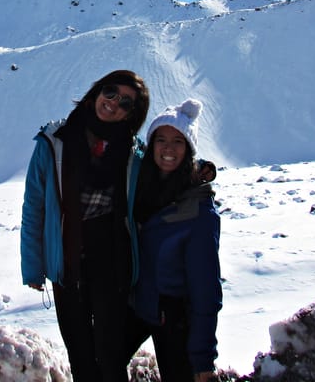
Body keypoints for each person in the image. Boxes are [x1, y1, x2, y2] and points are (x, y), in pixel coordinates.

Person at [20, 70, 150, 382]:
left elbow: (165, 179)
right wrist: (33, 267)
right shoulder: (55, 141)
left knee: (110, 357)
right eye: (110, 92)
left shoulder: (134, 153)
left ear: (133, 114)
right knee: (80, 358)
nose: (114, 103)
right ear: (95, 93)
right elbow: (34, 207)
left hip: (113, 261)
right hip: (68, 263)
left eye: (126, 103)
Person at [128, 99, 222, 382]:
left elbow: (206, 289)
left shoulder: (199, 212)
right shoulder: (139, 187)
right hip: (137, 305)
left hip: (175, 318)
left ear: (189, 149)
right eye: (162, 139)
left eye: (178, 141)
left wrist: (203, 357)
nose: (168, 149)